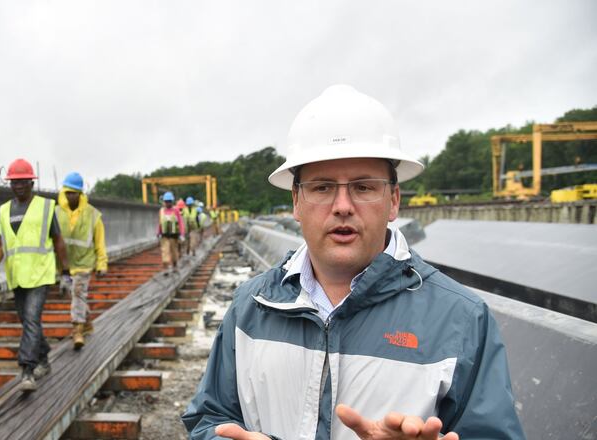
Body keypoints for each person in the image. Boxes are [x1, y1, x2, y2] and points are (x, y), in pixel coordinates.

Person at [182, 85, 525, 439]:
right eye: (322, 187)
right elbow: (209, 418)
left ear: (393, 200)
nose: (343, 205)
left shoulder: (461, 320)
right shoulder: (250, 308)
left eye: (363, 187)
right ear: (296, 202)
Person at [0, 158, 70, 392]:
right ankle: (43, 356)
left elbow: (59, 242)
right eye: (14, 182)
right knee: (27, 321)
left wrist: (66, 273)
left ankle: (27, 370)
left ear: (31, 182)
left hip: (40, 274)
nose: (18, 185)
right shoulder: (2, 212)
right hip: (17, 276)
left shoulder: (45, 207)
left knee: (31, 319)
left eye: (23, 181)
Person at [56, 172, 108, 350]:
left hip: (84, 263)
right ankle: (87, 322)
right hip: (65, 265)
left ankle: (77, 330)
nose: (70, 196)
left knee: (77, 294)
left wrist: (102, 264)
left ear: (80, 193)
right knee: (76, 295)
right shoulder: (56, 213)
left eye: (74, 192)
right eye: (68, 192)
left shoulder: (93, 215)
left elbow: (100, 242)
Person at [157, 191, 185, 272]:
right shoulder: (161, 211)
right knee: (165, 251)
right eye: (166, 201)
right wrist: (158, 233)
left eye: (169, 201)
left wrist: (182, 234)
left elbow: (180, 223)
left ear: (172, 202)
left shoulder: (176, 211)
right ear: (164, 202)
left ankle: (175, 265)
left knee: (174, 252)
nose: (168, 203)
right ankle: (166, 268)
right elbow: (160, 223)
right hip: (164, 235)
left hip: (174, 236)